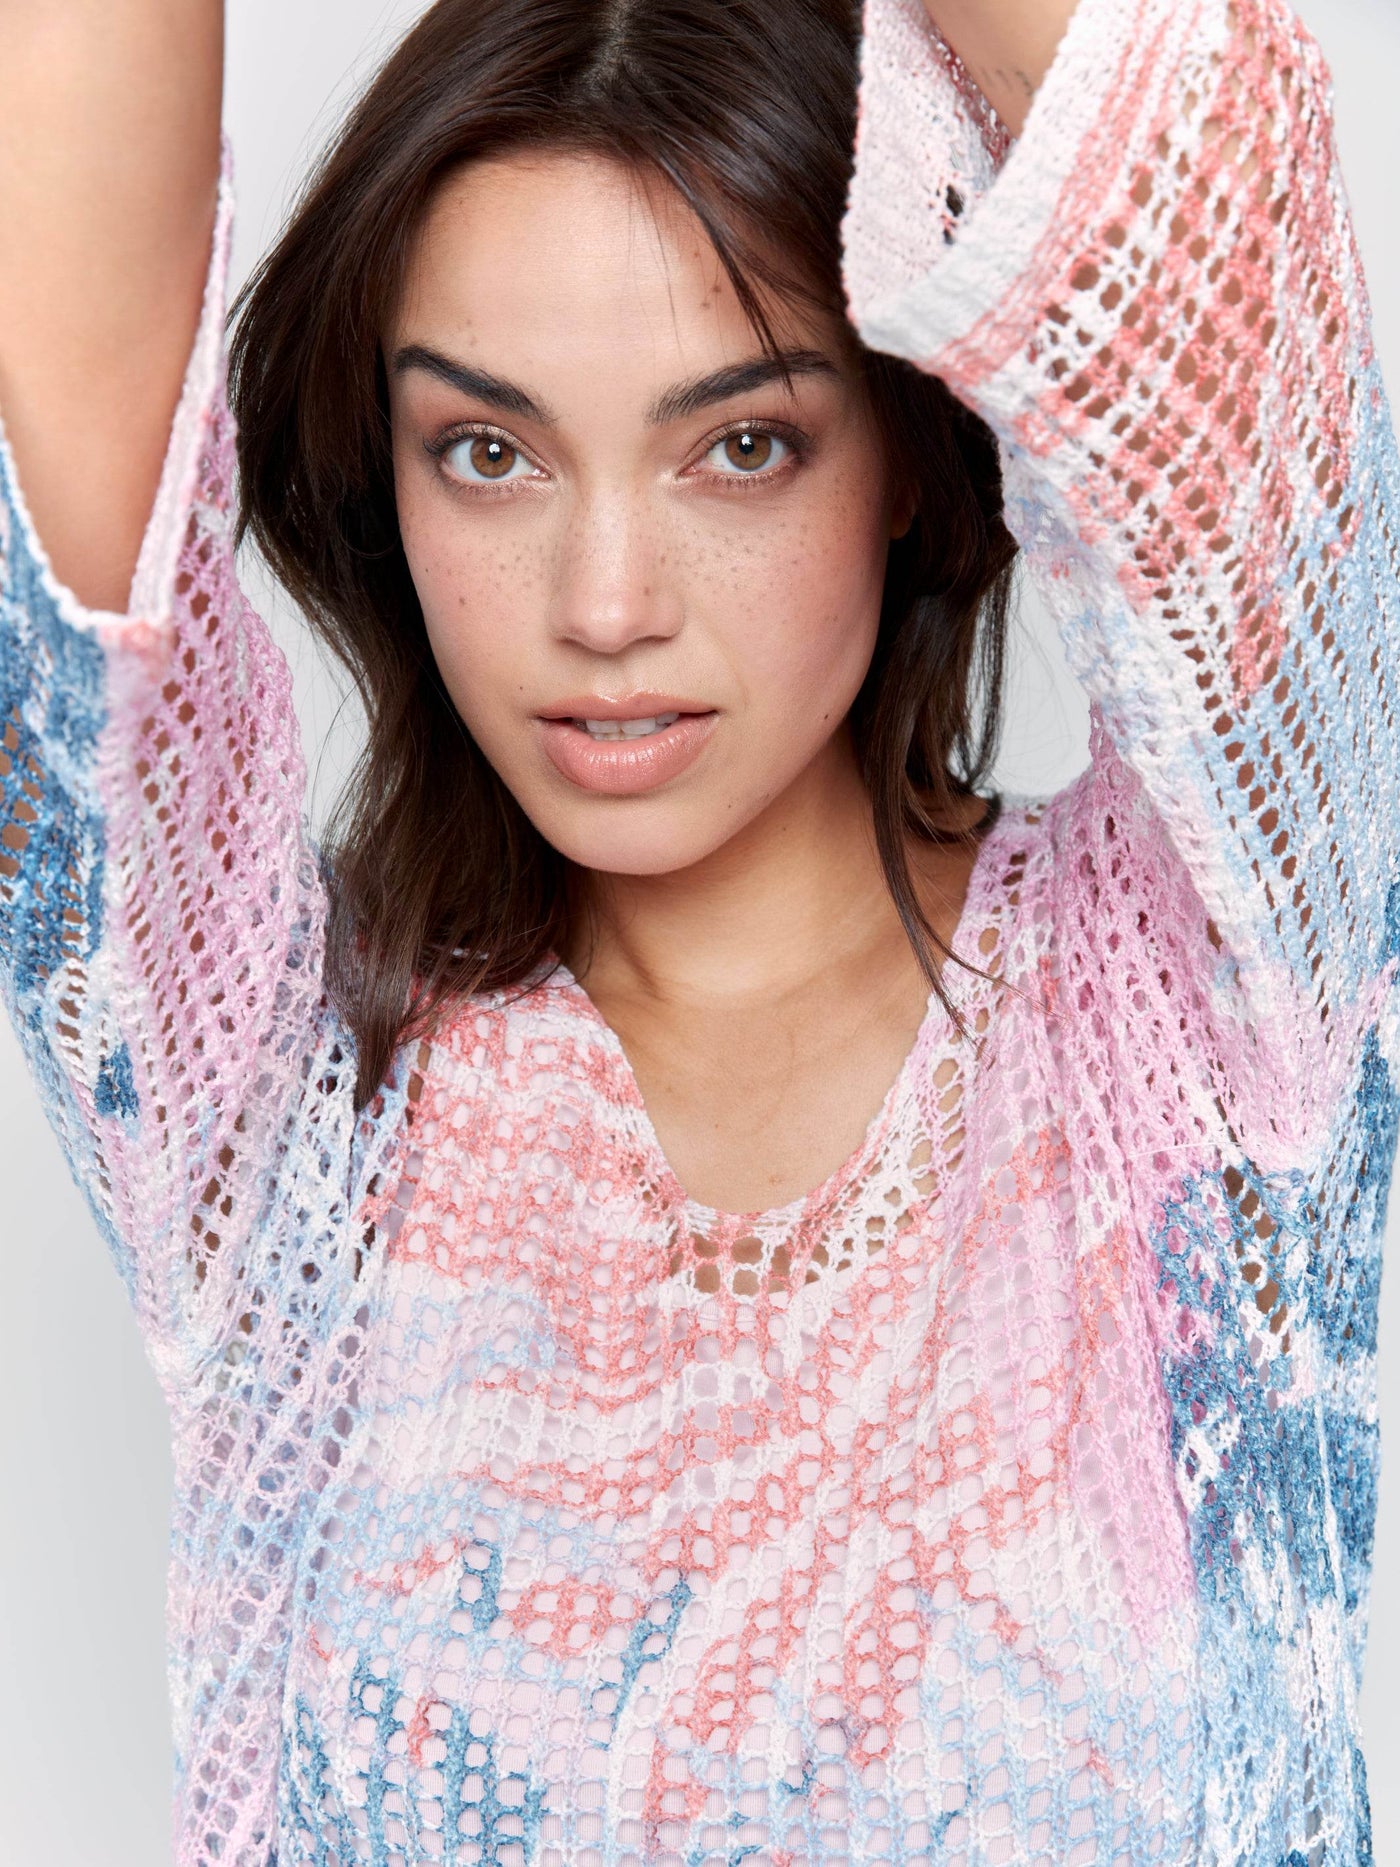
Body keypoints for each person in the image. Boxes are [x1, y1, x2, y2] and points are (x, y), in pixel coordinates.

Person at [0, 0, 1394, 1859]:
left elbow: (1194, 211)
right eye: (487, 452)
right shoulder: (283, 1111)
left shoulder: (1205, 1009)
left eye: (740, 445)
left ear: (909, 450)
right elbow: (84, 607)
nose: (603, 605)